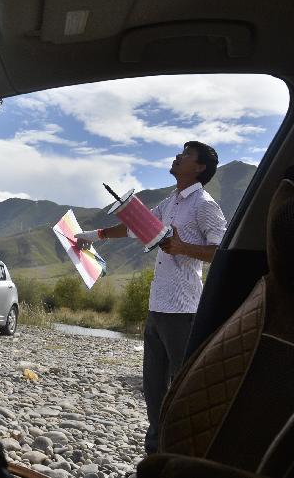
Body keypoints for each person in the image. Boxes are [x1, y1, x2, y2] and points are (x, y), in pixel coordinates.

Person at [75, 141, 227, 455]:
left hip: (183, 311)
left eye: (186, 155)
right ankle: (156, 452)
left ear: (199, 168)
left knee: (182, 388)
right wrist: (94, 236)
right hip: (157, 308)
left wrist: (184, 248)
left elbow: (221, 252)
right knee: (154, 389)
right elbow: (134, 228)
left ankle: (184, 453)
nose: (177, 156)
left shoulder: (205, 205)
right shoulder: (170, 202)